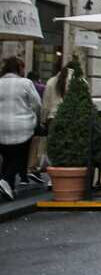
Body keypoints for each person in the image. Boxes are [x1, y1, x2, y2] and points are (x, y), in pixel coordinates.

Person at [0, 57, 42, 200]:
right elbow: (37, 103)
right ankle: (6, 179)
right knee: (20, 156)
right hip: (22, 125)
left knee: (6, 156)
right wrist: (37, 119)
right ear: (19, 68)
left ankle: (8, 188)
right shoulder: (25, 83)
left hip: (1, 125)